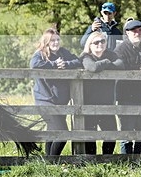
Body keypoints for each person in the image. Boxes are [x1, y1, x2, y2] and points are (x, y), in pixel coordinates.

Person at [29, 28, 82, 156]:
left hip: (61, 101)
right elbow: (34, 65)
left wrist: (66, 64)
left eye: (58, 40)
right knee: (62, 133)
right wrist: (53, 64)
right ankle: (53, 160)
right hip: (45, 101)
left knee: (53, 131)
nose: (56, 43)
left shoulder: (63, 53)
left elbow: (78, 61)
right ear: (46, 42)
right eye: (52, 40)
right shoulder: (40, 54)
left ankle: (49, 161)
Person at [114, 19, 141, 155]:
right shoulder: (120, 49)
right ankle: (126, 161)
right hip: (126, 95)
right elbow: (119, 68)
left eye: (140, 30)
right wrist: (139, 68)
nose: (138, 33)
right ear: (127, 33)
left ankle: (140, 159)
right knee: (127, 131)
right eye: (134, 30)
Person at [80, 31, 123, 155]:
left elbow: (121, 65)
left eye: (103, 41)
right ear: (90, 45)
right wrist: (106, 63)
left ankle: (106, 159)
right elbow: (92, 67)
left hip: (107, 103)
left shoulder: (111, 54)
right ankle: (91, 162)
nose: (100, 44)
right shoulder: (85, 56)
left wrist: (105, 64)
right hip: (89, 102)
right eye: (96, 42)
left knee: (111, 133)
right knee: (90, 136)